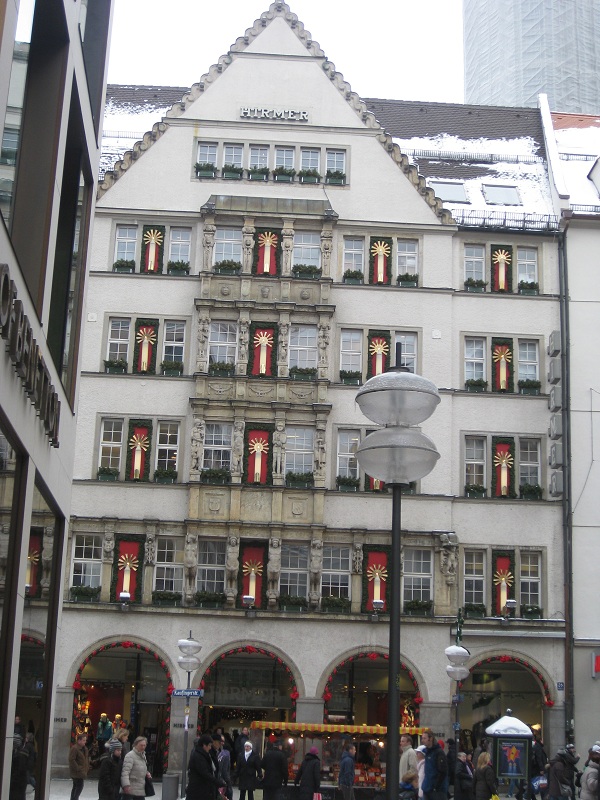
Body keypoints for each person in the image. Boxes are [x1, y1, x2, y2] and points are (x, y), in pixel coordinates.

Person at [186, 733, 225, 800]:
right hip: (197, 791)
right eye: (209, 745)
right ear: (204, 745)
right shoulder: (198, 756)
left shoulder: (204, 755)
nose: (210, 748)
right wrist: (217, 782)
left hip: (203, 790)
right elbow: (205, 773)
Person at [422, 729, 449, 800]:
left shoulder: (438, 752)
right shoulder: (427, 752)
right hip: (427, 787)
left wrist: (436, 786)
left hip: (436, 790)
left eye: (424, 738)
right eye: (422, 738)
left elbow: (443, 771)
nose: (422, 740)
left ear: (430, 738)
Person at [68, 733, 90, 800]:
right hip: (77, 772)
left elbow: (85, 759)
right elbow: (71, 759)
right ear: (79, 740)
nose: (85, 742)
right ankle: (74, 798)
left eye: (85, 740)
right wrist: (77, 768)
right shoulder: (75, 748)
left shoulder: (85, 749)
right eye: (83, 740)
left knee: (76, 787)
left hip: (82, 771)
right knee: (79, 786)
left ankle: (73, 798)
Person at [219, 735, 234, 800]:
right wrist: (228, 780)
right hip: (224, 779)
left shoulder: (220, 754)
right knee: (228, 793)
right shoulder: (226, 756)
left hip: (220, 778)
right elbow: (225, 769)